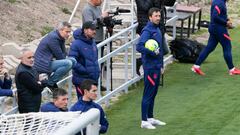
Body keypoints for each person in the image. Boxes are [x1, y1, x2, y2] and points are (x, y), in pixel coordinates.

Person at [191, 0, 240, 75]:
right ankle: (232, 70)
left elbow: (219, 15)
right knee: (227, 47)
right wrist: (225, 23)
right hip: (219, 30)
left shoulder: (217, 1)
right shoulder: (220, 3)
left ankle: (196, 66)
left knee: (209, 48)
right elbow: (215, 16)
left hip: (214, 28)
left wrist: (226, 19)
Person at [136, 7, 166, 129]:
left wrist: (162, 65)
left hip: (157, 67)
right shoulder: (147, 31)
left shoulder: (157, 29)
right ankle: (144, 121)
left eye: (159, 16)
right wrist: (152, 53)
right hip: (150, 67)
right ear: (150, 17)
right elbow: (139, 47)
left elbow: (161, 50)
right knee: (148, 93)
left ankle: (150, 117)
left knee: (153, 93)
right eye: (156, 16)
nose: (158, 18)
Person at [34, 21, 76, 90]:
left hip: (48, 62)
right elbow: (60, 57)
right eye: (67, 32)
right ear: (60, 30)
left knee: (73, 61)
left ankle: (53, 81)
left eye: (70, 32)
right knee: (68, 63)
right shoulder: (53, 38)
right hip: (42, 64)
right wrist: (64, 55)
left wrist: (64, 54)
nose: (69, 34)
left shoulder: (60, 37)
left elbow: (64, 53)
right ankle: (50, 83)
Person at [135, 0, 169, 75]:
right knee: (152, 51)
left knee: (164, 50)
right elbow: (144, 7)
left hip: (158, 27)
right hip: (146, 27)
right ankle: (151, 71)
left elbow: (170, 3)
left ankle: (140, 61)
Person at [68, 21, 100, 99]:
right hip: (81, 80)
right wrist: (85, 71)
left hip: (92, 79)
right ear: (85, 30)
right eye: (92, 29)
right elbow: (72, 61)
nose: (94, 31)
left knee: (90, 103)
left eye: (95, 29)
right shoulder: (76, 44)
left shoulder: (92, 43)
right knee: (83, 103)